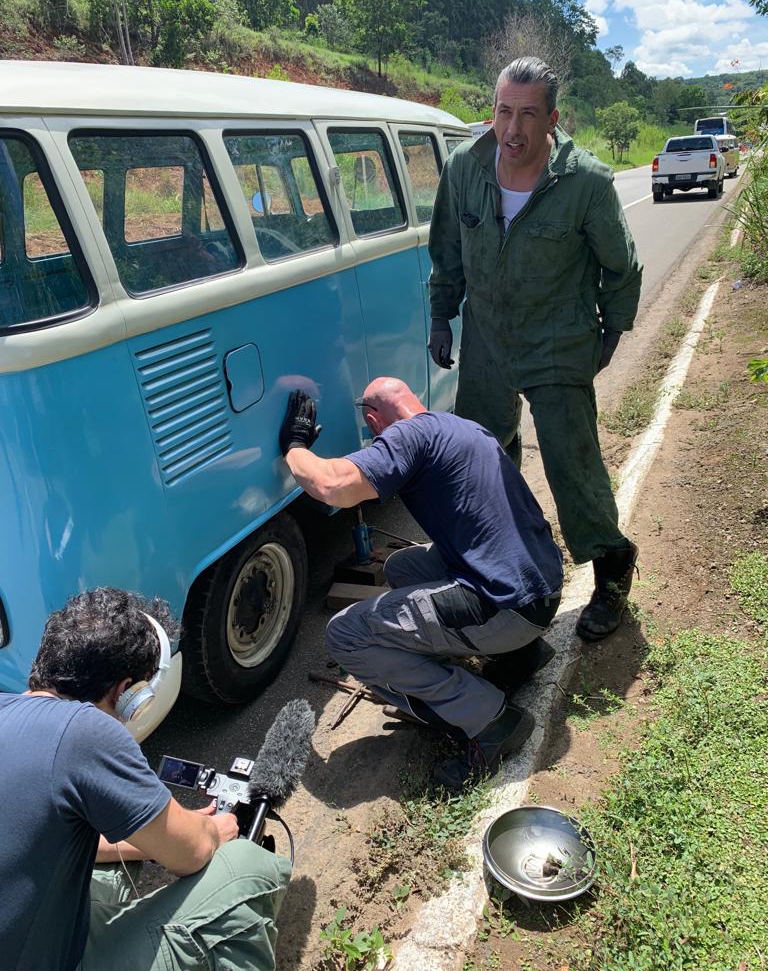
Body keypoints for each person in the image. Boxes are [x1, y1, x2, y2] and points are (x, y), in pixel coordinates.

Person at [427, 56, 642, 642]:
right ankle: (506, 570)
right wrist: (441, 316)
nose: (513, 130)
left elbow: (620, 268)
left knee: (573, 466)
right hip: (489, 342)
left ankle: (611, 570)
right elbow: (445, 251)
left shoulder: (587, 183)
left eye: (528, 115)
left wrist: (611, 333)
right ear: (491, 110)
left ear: (553, 118)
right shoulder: (464, 170)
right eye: (503, 112)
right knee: (482, 459)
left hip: (558, 343)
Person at [280, 379, 563, 790]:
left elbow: (332, 486)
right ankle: (520, 654)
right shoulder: (459, 427)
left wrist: (295, 447)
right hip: (541, 584)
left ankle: (490, 721)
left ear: (376, 419)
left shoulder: (406, 437)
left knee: (345, 635)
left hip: (509, 607)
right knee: (404, 567)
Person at [0, 587, 291, 971]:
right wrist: (209, 831)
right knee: (247, 867)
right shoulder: (86, 731)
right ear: (125, 693)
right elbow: (191, 855)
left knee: (115, 858)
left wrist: (148, 842)